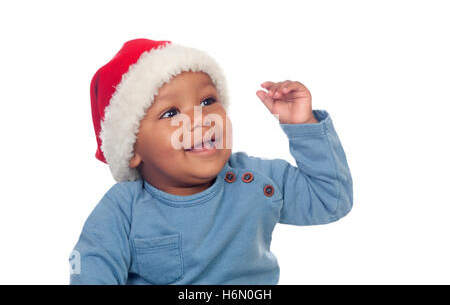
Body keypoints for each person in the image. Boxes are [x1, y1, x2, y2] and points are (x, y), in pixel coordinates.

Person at [69, 38, 353, 284]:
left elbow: (330, 200)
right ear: (131, 149)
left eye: (207, 101)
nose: (200, 120)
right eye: (170, 113)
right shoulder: (123, 209)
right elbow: (94, 270)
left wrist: (303, 126)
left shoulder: (255, 179)